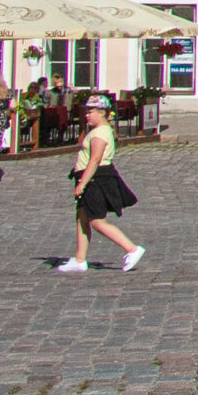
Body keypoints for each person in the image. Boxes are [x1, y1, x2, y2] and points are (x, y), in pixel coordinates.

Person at [58, 95, 144, 272]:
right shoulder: (98, 130)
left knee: (97, 221)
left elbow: (95, 159)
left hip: (96, 178)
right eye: (86, 112)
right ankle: (80, 259)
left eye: (90, 112)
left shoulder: (100, 133)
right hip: (92, 176)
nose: (87, 116)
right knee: (82, 216)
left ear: (102, 113)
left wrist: (82, 183)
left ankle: (132, 249)